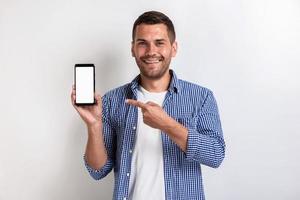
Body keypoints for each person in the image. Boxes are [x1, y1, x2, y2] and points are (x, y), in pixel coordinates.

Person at [71, 10, 225, 200]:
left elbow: (215, 155)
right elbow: (98, 170)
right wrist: (93, 125)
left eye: (159, 43)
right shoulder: (112, 100)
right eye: (142, 43)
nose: (151, 51)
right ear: (133, 49)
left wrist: (167, 124)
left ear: (173, 48)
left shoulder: (201, 97)